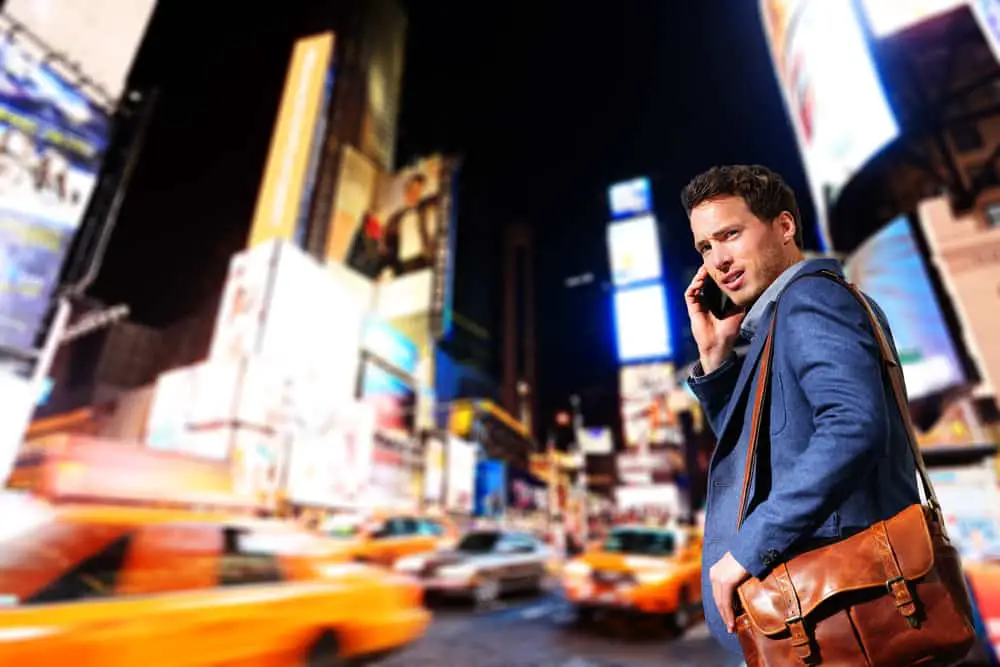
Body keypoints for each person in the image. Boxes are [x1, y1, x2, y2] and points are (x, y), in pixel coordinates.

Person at [680, 165, 919, 655]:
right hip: (816, 617)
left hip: (839, 615)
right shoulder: (779, 322)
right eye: (705, 247)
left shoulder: (809, 299)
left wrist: (744, 552)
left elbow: (852, 427)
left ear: (784, 227)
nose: (719, 260)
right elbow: (754, 457)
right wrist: (715, 362)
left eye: (730, 234)